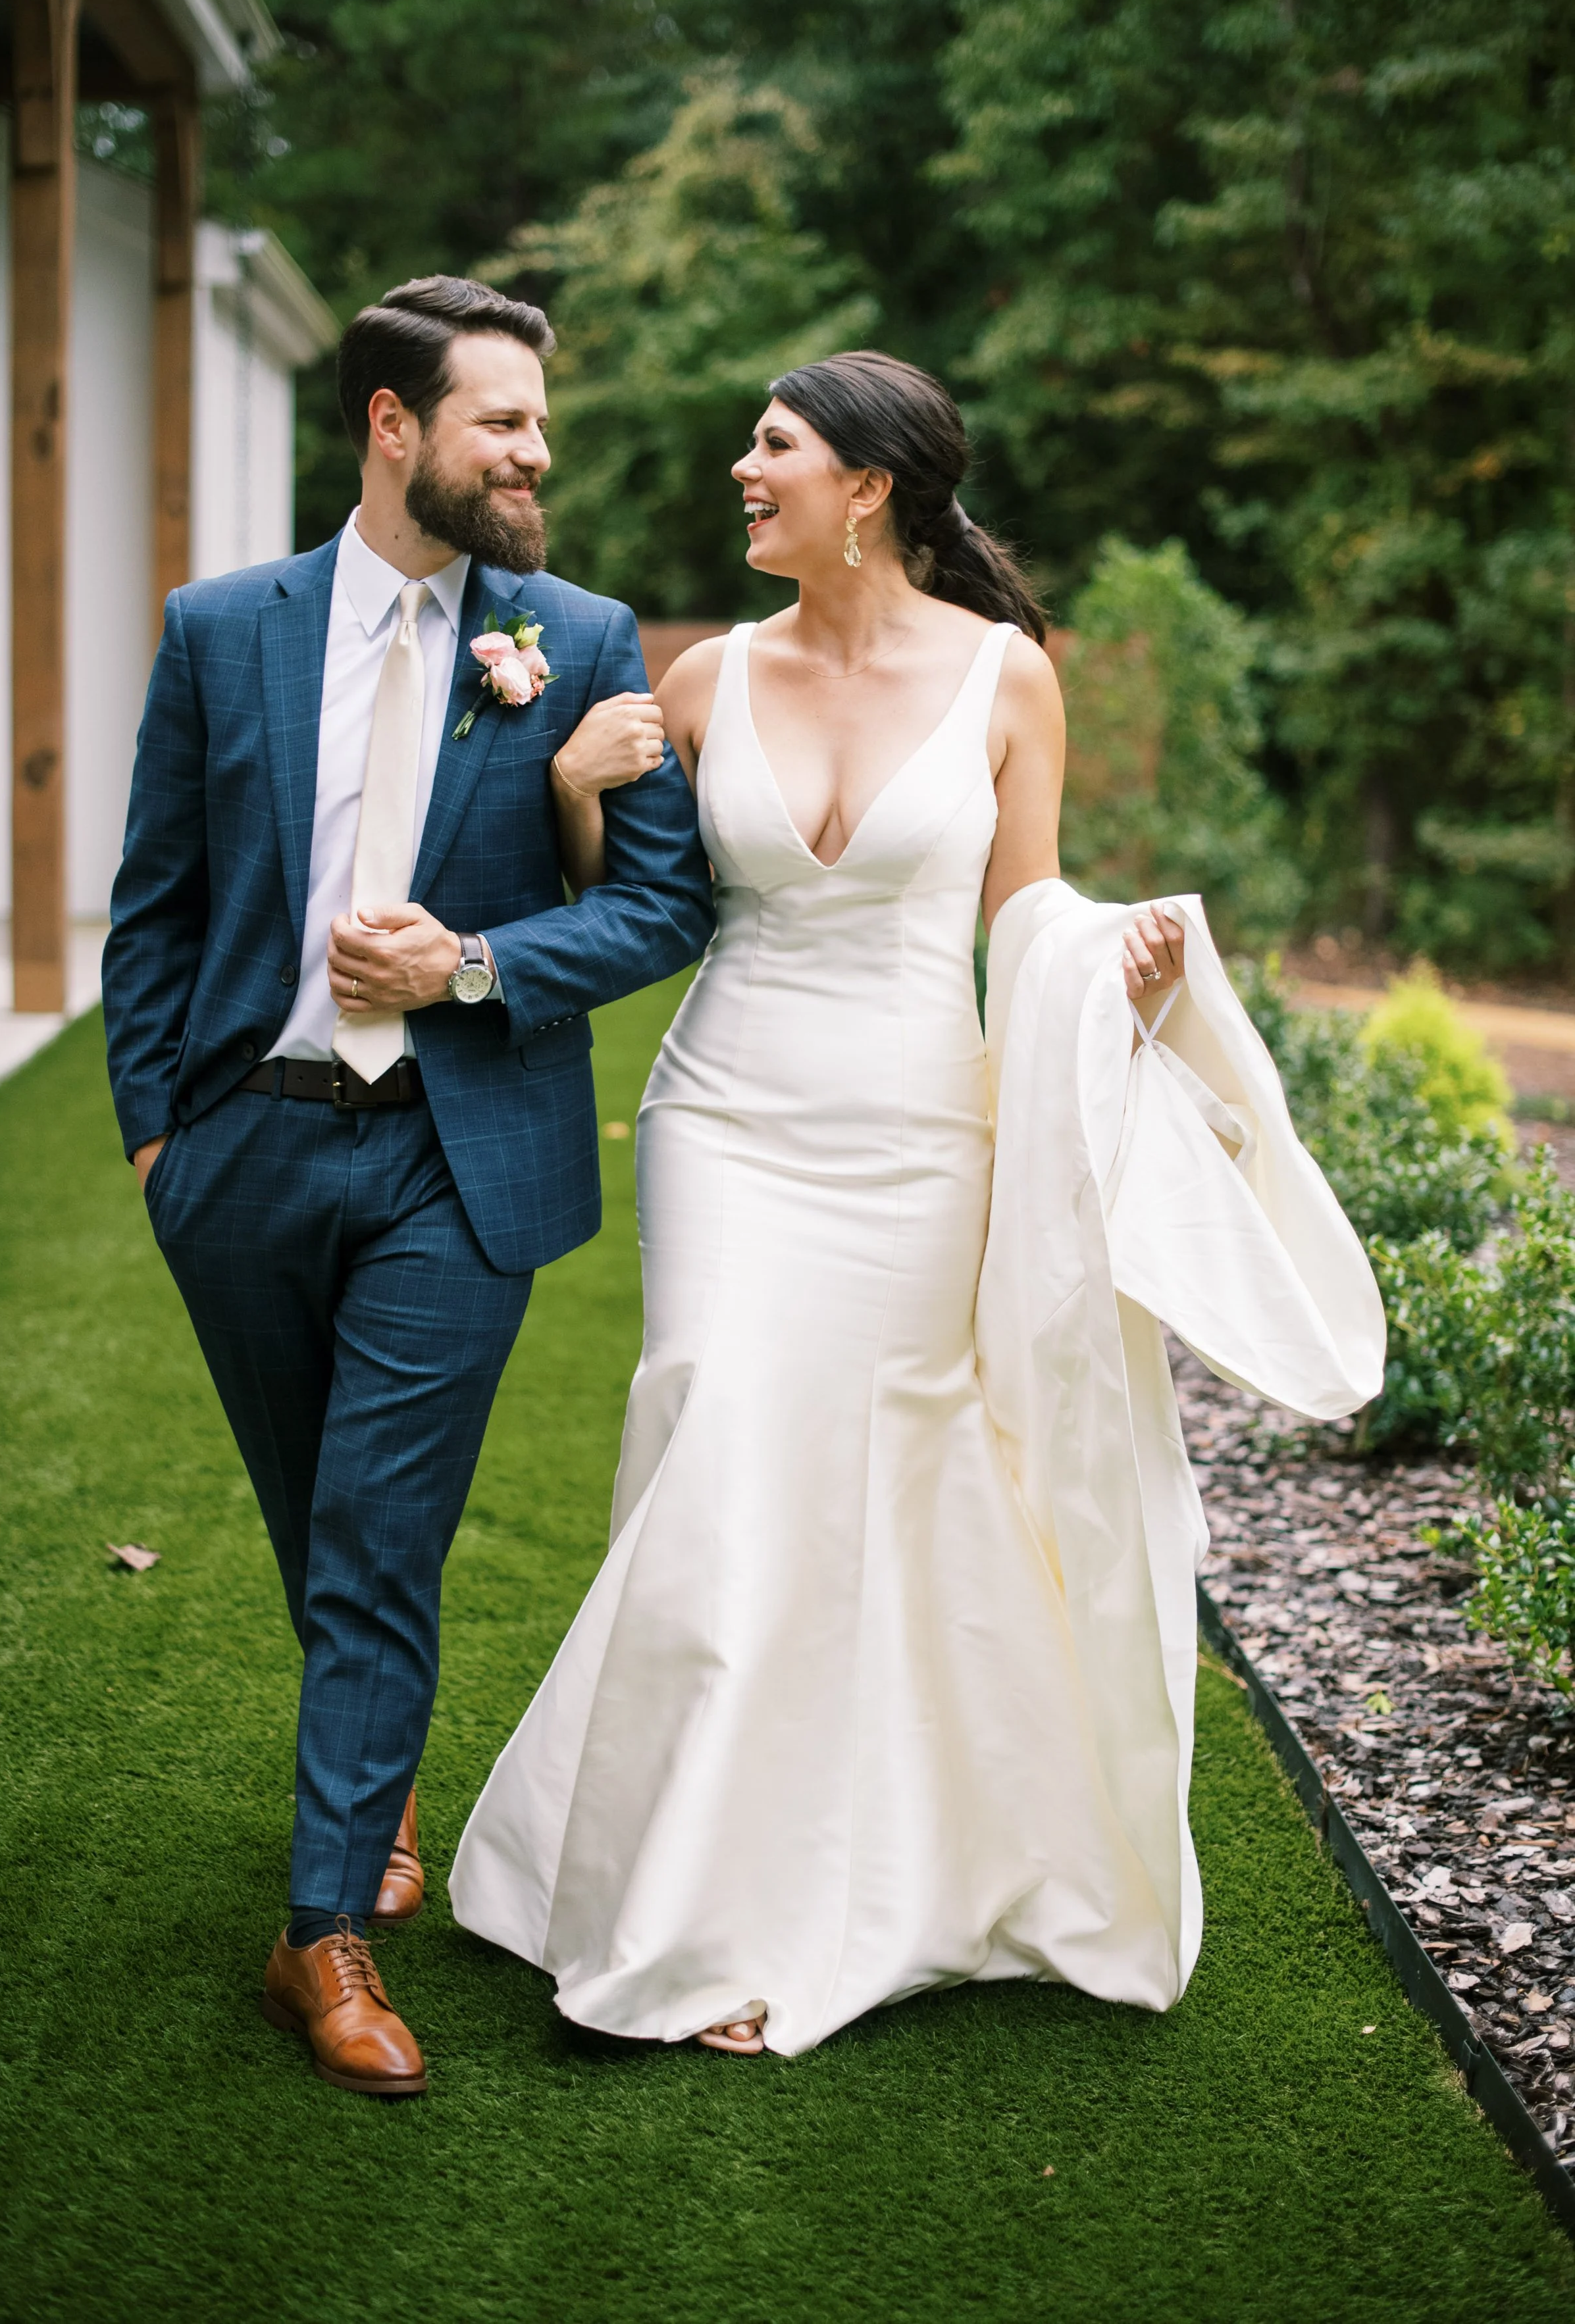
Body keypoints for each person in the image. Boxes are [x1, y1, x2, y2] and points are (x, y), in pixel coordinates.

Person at [448, 349, 1385, 2058]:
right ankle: (690, 1908)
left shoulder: (1009, 680)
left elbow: (1018, 915)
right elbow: (642, 907)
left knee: (874, 1483)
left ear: (868, 485)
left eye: (774, 446)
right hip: (724, 1117)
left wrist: (1120, 959)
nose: (743, 466)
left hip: (911, 1131)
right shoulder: (707, 675)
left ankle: (848, 1881)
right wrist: (574, 790)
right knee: (725, 1435)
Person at [101, 276, 713, 2096]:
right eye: (500, 420)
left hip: (463, 1154)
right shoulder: (224, 629)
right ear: (392, 426)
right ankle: (371, 1783)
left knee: (379, 1528)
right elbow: (155, 900)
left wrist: (463, 966)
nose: (537, 451)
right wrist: (159, 1136)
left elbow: (661, 905)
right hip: (243, 1142)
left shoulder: (578, 639)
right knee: (317, 1515)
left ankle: (319, 1931)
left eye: (538, 421)